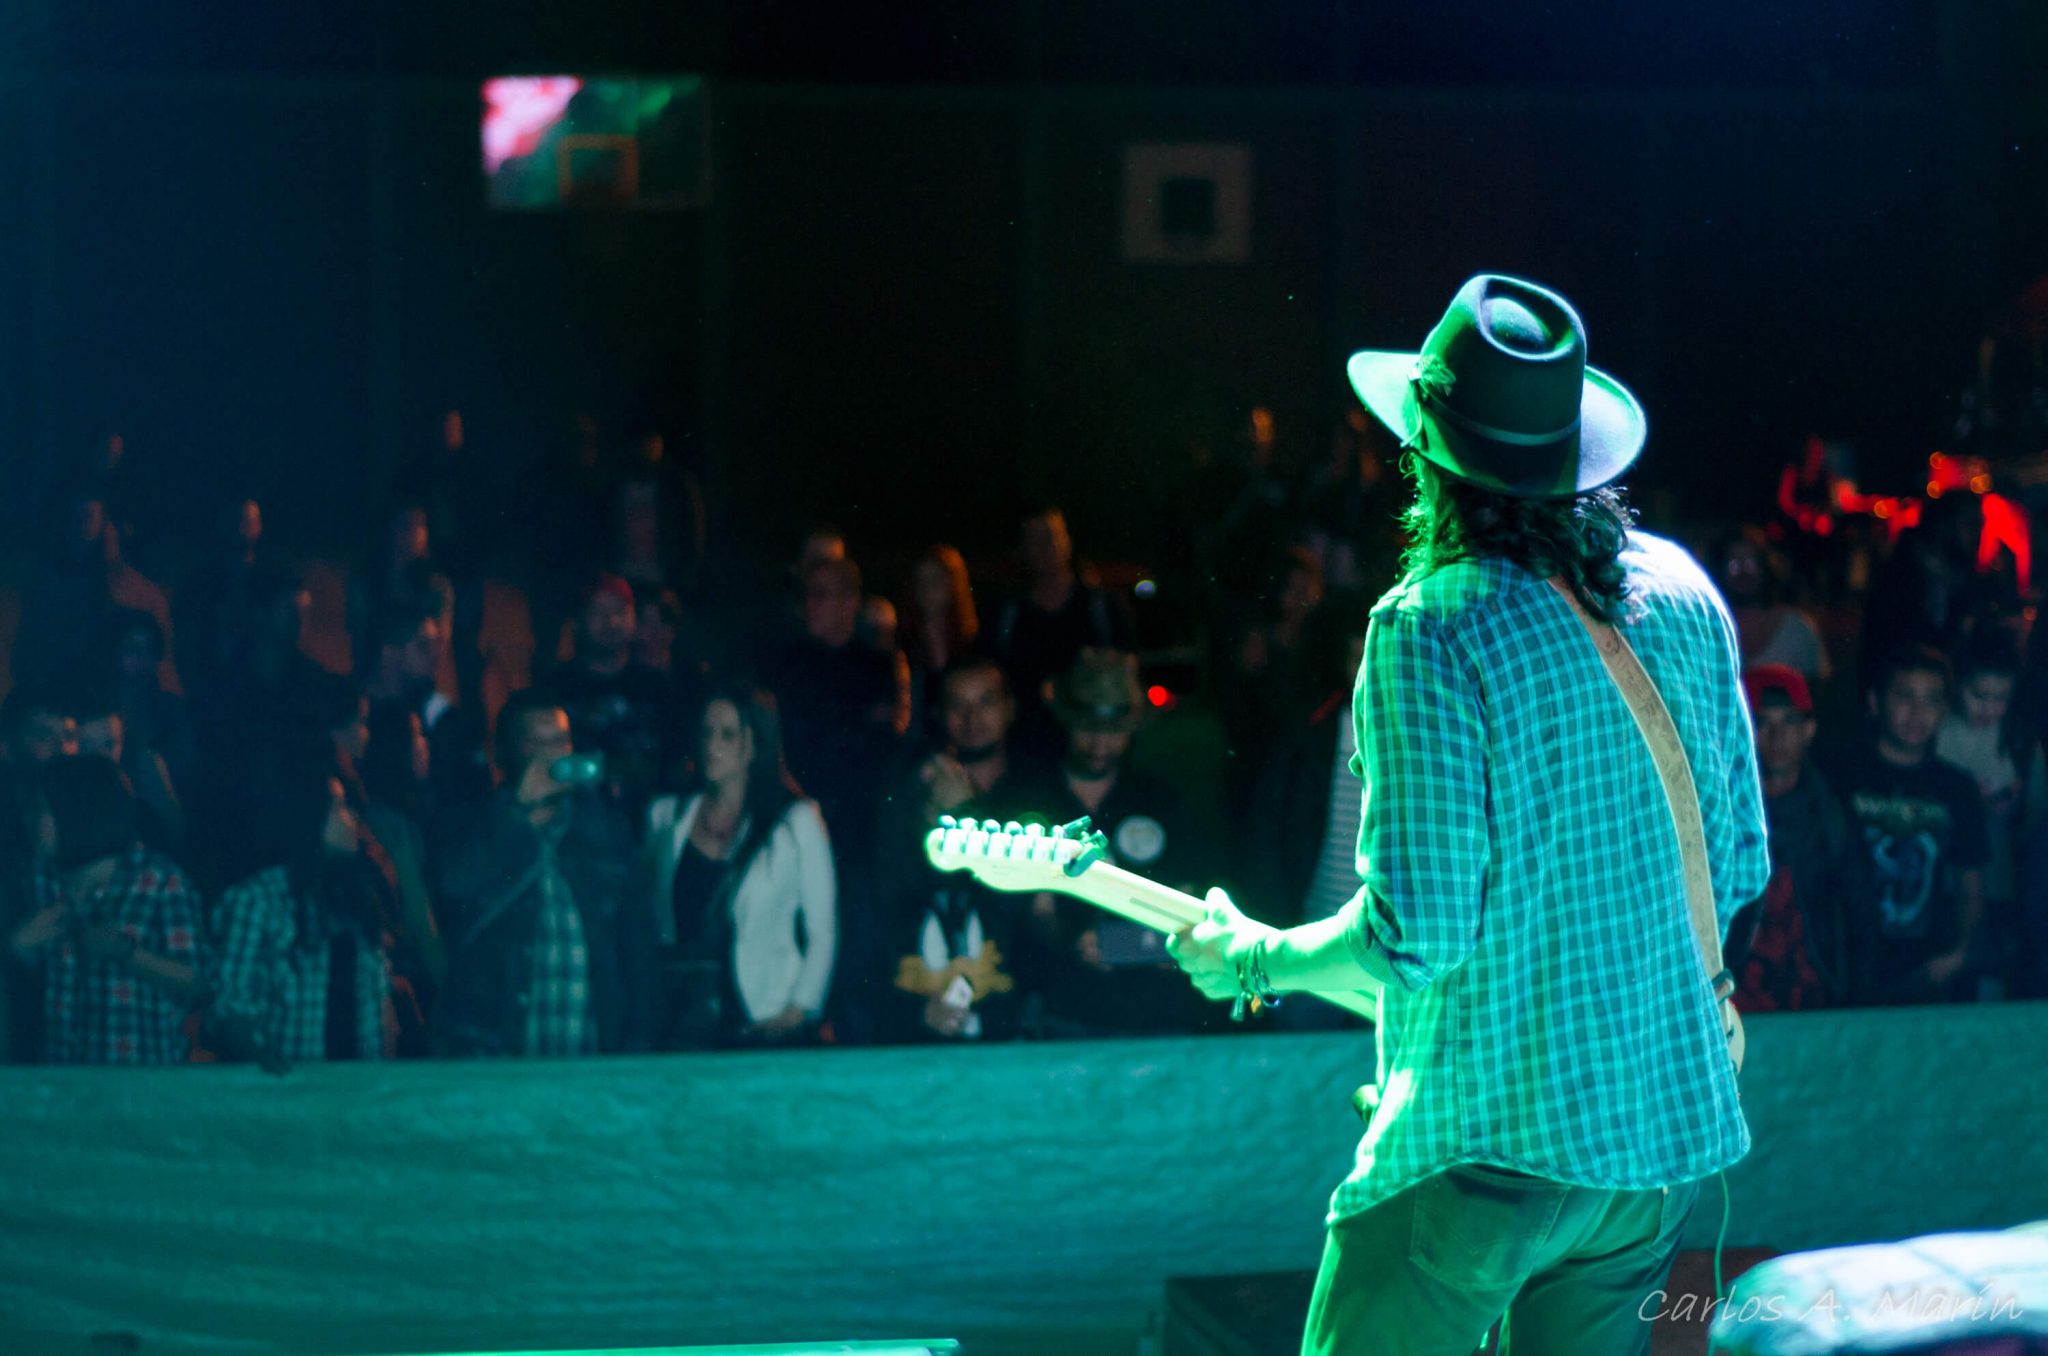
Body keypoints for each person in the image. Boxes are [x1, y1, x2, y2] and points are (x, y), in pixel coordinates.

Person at [1166, 275, 1769, 1355]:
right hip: (1654, 1149)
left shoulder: (1429, 624)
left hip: (1485, 1155)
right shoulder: (1682, 593)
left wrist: (1253, 958)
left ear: (1426, 458)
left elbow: (1415, 934)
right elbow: (1736, 874)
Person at [427, 692, 655, 1056]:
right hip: (498, 1054)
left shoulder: (605, 831)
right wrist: (518, 810)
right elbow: (456, 886)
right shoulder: (471, 827)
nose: (552, 755)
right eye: (536, 743)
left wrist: (639, 1039)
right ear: (504, 754)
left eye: (560, 741)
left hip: (588, 1050)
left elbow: (637, 943)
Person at [642, 685, 836, 1049]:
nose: (712, 744)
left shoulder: (795, 821)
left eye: (728, 734)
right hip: (684, 1019)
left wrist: (799, 1010)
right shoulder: (668, 816)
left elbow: (822, 929)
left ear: (755, 743)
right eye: (707, 732)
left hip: (764, 1016)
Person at [877, 653, 1055, 1043]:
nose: (972, 719)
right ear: (940, 714)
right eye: (958, 705)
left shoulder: (1039, 791)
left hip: (1022, 1021)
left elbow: (1027, 911)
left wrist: (965, 811)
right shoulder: (917, 790)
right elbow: (889, 907)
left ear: (1010, 708)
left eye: (985, 702)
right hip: (930, 1014)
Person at [7, 757, 206, 1063]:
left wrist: (125, 952)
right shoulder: (38, 881)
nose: (28, 821)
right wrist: (17, 947)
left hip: (143, 1075)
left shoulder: (158, 881)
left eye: (39, 811)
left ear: (76, 811)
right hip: (62, 1075)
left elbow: (196, 981)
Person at [1828, 645, 1991, 1005]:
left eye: (1931, 700)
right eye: (1905, 697)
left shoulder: (1957, 788)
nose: (1917, 713)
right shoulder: (1839, 777)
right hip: (1846, 963)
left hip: (1926, 967)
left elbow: (1971, 881)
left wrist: (1957, 955)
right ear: (1875, 702)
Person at [208, 764, 399, 1064]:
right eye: (339, 807)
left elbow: (379, 1006)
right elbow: (229, 1009)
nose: (352, 819)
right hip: (289, 1099)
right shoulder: (257, 901)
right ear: (308, 817)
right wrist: (275, 1071)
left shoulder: (352, 896)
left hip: (360, 1093)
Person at [1726, 665, 1852, 1011]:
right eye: (1762, 722)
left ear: (1809, 729)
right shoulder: (1721, 817)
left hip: (1813, 999)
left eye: (1790, 722)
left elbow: (1855, 915)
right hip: (1736, 1002)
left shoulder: (1831, 816)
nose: (1777, 736)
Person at [1934, 633, 2041, 999]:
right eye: (1979, 696)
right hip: (1943, 886)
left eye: (2000, 699)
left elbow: (2037, 822)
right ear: (1957, 685)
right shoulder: (1935, 730)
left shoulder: (2018, 741)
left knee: (1991, 979)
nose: (1989, 709)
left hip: (2002, 884)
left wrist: (2012, 807)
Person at [986, 505, 1134, 763]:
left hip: (1094, 749)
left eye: (1051, 536)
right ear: (1022, 548)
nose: (1043, 546)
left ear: (1067, 541)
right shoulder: (1006, 612)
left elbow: (1127, 668)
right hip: (1027, 749)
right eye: (1033, 538)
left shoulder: (1102, 607)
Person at [1711, 524, 1830, 684]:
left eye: (1751, 564)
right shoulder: (1709, 631)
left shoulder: (1797, 629)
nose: (1743, 573)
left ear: (1766, 568)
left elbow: (1822, 690)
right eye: (1733, 565)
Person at [898, 545, 979, 741]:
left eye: (936, 580)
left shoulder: (974, 645)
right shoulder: (902, 644)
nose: (928, 590)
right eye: (922, 582)